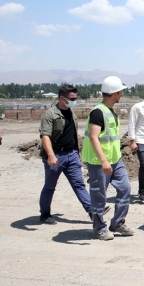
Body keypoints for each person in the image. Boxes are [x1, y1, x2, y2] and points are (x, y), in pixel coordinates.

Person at [38, 84, 105, 224]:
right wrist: (50, 155)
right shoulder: (50, 114)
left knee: (79, 184)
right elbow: (45, 136)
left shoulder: (71, 112)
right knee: (49, 186)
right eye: (72, 98)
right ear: (62, 97)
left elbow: (73, 134)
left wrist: (77, 150)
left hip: (72, 154)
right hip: (56, 155)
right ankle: (45, 214)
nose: (74, 100)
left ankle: (92, 212)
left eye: (75, 97)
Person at [82, 76, 135, 241]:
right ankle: (99, 228)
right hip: (99, 161)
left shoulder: (111, 111)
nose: (121, 95)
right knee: (99, 195)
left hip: (115, 159)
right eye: (120, 92)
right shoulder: (98, 112)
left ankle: (117, 223)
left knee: (125, 188)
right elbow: (94, 137)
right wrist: (104, 160)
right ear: (115, 93)